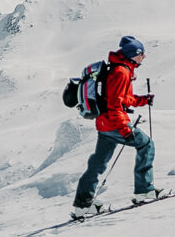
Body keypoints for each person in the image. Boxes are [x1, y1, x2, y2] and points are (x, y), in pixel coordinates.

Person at [71, 36, 157, 218]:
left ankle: (83, 205)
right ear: (134, 54)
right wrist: (125, 130)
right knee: (146, 145)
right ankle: (144, 190)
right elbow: (115, 105)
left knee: (97, 164)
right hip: (113, 123)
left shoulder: (120, 69)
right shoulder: (121, 72)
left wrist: (143, 100)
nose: (144, 57)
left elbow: (123, 98)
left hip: (104, 124)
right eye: (142, 54)